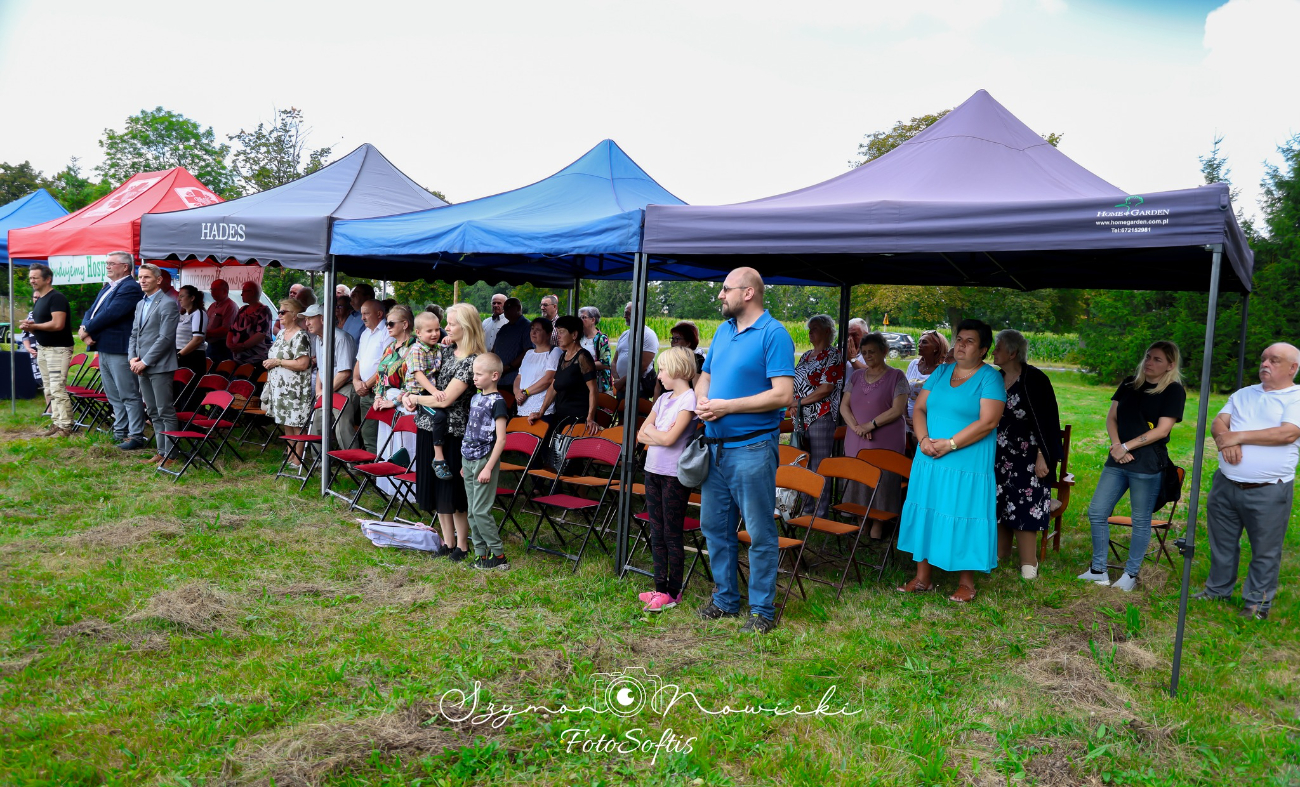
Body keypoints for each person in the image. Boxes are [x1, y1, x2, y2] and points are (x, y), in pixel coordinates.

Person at [694, 267, 795, 635]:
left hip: (752, 448)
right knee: (714, 528)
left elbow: (783, 395)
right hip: (715, 449)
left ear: (748, 292)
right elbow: (705, 374)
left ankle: (762, 611)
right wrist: (703, 398)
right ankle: (725, 600)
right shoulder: (723, 331)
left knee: (758, 532)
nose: (720, 295)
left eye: (725, 289)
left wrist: (727, 407)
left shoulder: (774, 334)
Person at [896, 319, 1006, 603]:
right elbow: (919, 408)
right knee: (928, 509)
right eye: (959, 339)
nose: (961, 345)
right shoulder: (941, 372)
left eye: (969, 341)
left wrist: (951, 443)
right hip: (929, 457)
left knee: (963, 512)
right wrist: (923, 441)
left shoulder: (990, 377)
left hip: (966, 463)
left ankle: (966, 583)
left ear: (983, 350)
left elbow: (989, 421)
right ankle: (922, 578)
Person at [1199, 343, 1300, 620]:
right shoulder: (1244, 393)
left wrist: (1238, 436)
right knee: (1222, 542)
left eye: (1274, 360)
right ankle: (1217, 589)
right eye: (1264, 358)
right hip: (1226, 483)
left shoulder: (1296, 397)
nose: (1265, 364)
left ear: (1292, 368)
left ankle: (1257, 604)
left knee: (1265, 549)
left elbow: (1287, 434)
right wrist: (1224, 438)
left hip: (1268, 489)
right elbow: (1219, 422)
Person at [1080, 341, 1185, 592]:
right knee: (1097, 511)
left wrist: (1126, 447)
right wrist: (1117, 446)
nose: (1149, 362)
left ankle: (1130, 574)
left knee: (1140, 519)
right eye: (1148, 357)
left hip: (1148, 463)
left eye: (1158, 359)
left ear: (1170, 365)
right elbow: (1112, 417)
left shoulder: (1173, 390)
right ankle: (1098, 570)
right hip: (1117, 459)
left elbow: (1162, 430)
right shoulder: (1129, 383)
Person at [404, 303, 485, 562]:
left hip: (454, 432)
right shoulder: (446, 351)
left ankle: (462, 544)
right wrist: (409, 394)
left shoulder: (472, 360)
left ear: (466, 327)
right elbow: (420, 373)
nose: (445, 328)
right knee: (438, 488)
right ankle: (447, 541)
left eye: (450, 324)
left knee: (453, 490)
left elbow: (445, 400)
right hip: (430, 427)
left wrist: (414, 399)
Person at [992, 329, 1063, 580]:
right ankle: (1000, 555)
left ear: (1012, 352)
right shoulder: (994, 378)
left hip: (1029, 455)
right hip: (997, 454)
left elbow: (1049, 422)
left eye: (998, 348)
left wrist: (1044, 455)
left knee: (1025, 505)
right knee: (998, 503)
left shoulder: (1035, 379)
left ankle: (1028, 563)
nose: (993, 352)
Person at [636, 347, 699, 612]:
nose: (659, 375)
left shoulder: (689, 400)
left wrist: (657, 433)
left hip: (673, 475)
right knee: (656, 531)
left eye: (662, 370)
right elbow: (641, 434)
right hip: (652, 470)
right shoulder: (662, 400)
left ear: (676, 370)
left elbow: (670, 439)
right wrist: (657, 433)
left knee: (671, 533)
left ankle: (673, 591)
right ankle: (659, 587)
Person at [839, 332, 909, 535]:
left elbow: (897, 409)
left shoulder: (897, 376)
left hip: (885, 438)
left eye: (872, 352)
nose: (868, 356)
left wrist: (871, 425)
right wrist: (857, 428)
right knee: (858, 476)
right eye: (864, 352)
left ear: (885, 351)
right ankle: (861, 519)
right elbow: (844, 406)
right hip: (856, 437)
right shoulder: (856, 376)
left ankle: (879, 523)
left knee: (883, 478)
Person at [79, 251, 146, 449]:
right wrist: (85, 329)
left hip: (120, 348)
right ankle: (120, 431)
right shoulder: (109, 287)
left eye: (111, 263)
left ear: (125, 267)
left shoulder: (131, 288)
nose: (107, 266)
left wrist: (88, 329)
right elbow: (91, 311)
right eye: (106, 263)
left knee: (128, 393)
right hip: (105, 346)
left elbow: (111, 314)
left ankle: (135, 436)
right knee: (113, 394)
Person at [461, 353, 512, 571]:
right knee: (472, 511)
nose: (474, 378)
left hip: (484, 460)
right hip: (468, 459)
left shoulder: (498, 403)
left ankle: (498, 554)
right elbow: (469, 430)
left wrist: (488, 467)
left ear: (494, 376)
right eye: (474, 373)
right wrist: (464, 463)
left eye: (479, 374)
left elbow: (501, 439)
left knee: (482, 511)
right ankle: (480, 554)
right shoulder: (475, 398)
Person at [789, 314, 844, 516]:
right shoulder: (805, 356)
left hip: (821, 415)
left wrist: (799, 402)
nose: (810, 332)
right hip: (800, 417)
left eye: (815, 329)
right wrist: (793, 403)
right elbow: (796, 383)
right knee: (802, 462)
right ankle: (805, 508)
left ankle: (820, 512)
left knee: (819, 464)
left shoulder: (833, 355)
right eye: (809, 329)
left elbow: (826, 388)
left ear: (827, 331)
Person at [527, 316, 599, 464]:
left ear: (574, 335)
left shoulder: (583, 357)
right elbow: (554, 386)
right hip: (561, 416)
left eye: (561, 332)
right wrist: (541, 411)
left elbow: (593, 390)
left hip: (577, 418)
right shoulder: (563, 356)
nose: (557, 336)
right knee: (557, 461)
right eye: (557, 332)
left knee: (572, 465)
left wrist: (590, 418)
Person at [128, 264, 181, 466]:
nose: (142, 281)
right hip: (141, 364)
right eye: (140, 277)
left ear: (158, 280)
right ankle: (161, 451)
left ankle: (172, 455)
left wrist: (145, 361)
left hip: (160, 366)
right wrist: (132, 357)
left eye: (147, 277)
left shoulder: (167, 303)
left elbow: (165, 338)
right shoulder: (140, 304)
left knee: (164, 410)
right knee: (152, 410)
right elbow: (134, 333)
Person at [19, 263, 74, 438]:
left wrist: (35, 326)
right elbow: (41, 326)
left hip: (58, 349)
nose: (31, 281)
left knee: (57, 388)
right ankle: (57, 423)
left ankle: (65, 426)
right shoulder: (40, 299)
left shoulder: (56, 298)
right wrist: (29, 327)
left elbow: (58, 325)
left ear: (47, 279)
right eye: (30, 278)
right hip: (43, 348)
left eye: (35, 277)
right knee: (49, 389)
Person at [371, 306, 418, 492]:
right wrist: (378, 396)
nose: (387, 327)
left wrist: (395, 401)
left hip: (405, 404)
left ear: (405, 324)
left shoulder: (415, 348)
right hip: (385, 404)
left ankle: (407, 490)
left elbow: (415, 381)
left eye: (391, 323)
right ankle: (388, 487)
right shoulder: (390, 347)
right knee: (387, 444)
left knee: (405, 446)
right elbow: (380, 374)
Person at [261, 299, 313, 468]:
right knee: (286, 422)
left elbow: (303, 363)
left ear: (295, 315)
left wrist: (277, 362)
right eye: (279, 311)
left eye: (283, 312)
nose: (280, 315)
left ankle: (298, 459)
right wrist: (271, 363)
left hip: (295, 388)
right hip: (280, 387)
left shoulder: (301, 336)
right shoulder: (282, 333)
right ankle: (290, 455)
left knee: (297, 422)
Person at [303, 304, 359, 450]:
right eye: (306, 319)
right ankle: (319, 461)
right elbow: (322, 368)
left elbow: (345, 372)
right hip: (328, 387)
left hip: (345, 386)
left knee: (342, 425)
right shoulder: (318, 339)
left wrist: (325, 392)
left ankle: (352, 465)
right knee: (317, 421)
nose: (306, 323)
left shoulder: (341, 338)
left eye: (310, 319)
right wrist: (318, 390)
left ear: (322, 319)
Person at [405, 311, 451, 479]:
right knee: (439, 416)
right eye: (429, 331)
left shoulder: (435, 347)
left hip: (429, 391)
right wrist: (434, 392)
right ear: (418, 333)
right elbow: (418, 375)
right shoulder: (417, 350)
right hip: (420, 394)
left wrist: (450, 340)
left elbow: (448, 348)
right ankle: (438, 458)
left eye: (437, 330)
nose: (434, 334)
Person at [351, 299, 387, 455]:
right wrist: (355, 381)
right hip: (365, 390)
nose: (362, 317)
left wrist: (366, 385)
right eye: (361, 313)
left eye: (366, 313)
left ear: (379, 314)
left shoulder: (387, 332)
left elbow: (385, 365)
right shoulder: (365, 333)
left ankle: (379, 474)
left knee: (381, 433)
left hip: (380, 391)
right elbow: (359, 360)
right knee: (367, 432)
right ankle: (371, 471)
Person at [903, 330, 950, 432]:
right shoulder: (913, 364)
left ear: (936, 348)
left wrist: (921, 421)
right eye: (919, 342)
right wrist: (905, 417)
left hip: (930, 423)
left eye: (924, 342)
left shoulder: (944, 370)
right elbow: (903, 394)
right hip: (908, 421)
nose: (919, 345)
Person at [612, 301, 658, 400]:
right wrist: (617, 380)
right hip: (622, 389)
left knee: (638, 415)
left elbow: (642, 366)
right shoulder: (624, 334)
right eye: (625, 313)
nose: (625, 316)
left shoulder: (648, 335)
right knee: (621, 415)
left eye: (628, 313)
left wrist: (622, 381)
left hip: (638, 391)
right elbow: (614, 361)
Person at [515, 317, 558, 420]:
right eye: (532, 329)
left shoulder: (555, 352)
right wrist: (517, 392)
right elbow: (519, 377)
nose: (533, 332)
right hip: (522, 408)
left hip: (541, 410)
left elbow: (548, 379)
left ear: (548, 334)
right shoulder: (529, 353)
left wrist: (526, 393)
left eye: (538, 330)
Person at [175, 285, 208, 412]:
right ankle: (180, 421)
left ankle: (192, 423)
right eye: (179, 296)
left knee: (190, 391)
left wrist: (179, 355)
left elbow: (198, 339)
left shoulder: (199, 314)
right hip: (180, 355)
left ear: (192, 298)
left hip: (191, 357)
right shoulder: (183, 315)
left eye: (182, 296)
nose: (179, 299)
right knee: (180, 390)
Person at [227, 281, 273, 367]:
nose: (241, 294)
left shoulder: (264, 311)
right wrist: (229, 344)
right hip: (239, 358)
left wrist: (242, 346)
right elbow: (232, 329)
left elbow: (261, 334)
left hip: (255, 358)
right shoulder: (242, 309)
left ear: (252, 292)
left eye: (243, 291)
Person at [493, 297, 533, 390]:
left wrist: (509, 367)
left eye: (508, 308)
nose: (505, 311)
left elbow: (528, 351)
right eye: (504, 308)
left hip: (514, 380)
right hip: (498, 378)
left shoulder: (527, 327)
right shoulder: (504, 328)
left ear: (518, 308)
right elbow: (495, 348)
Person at [577, 306, 613, 393]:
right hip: (580, 384)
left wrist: (582, 365)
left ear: (593, 320)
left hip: (597, 385)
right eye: (579, 318)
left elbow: (605, 363)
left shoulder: (601, 338)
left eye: (584, 317)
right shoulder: (579, 337)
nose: (580, 320)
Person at [205, 279, 238, 364]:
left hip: (223, 347)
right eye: (211, 289)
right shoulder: (213, 305)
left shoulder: (230, 306)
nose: (212, 292)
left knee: (221, 374)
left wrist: (207, 333)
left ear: (225, 291)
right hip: (211, 345)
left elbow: (227, 329)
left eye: (215, 289)